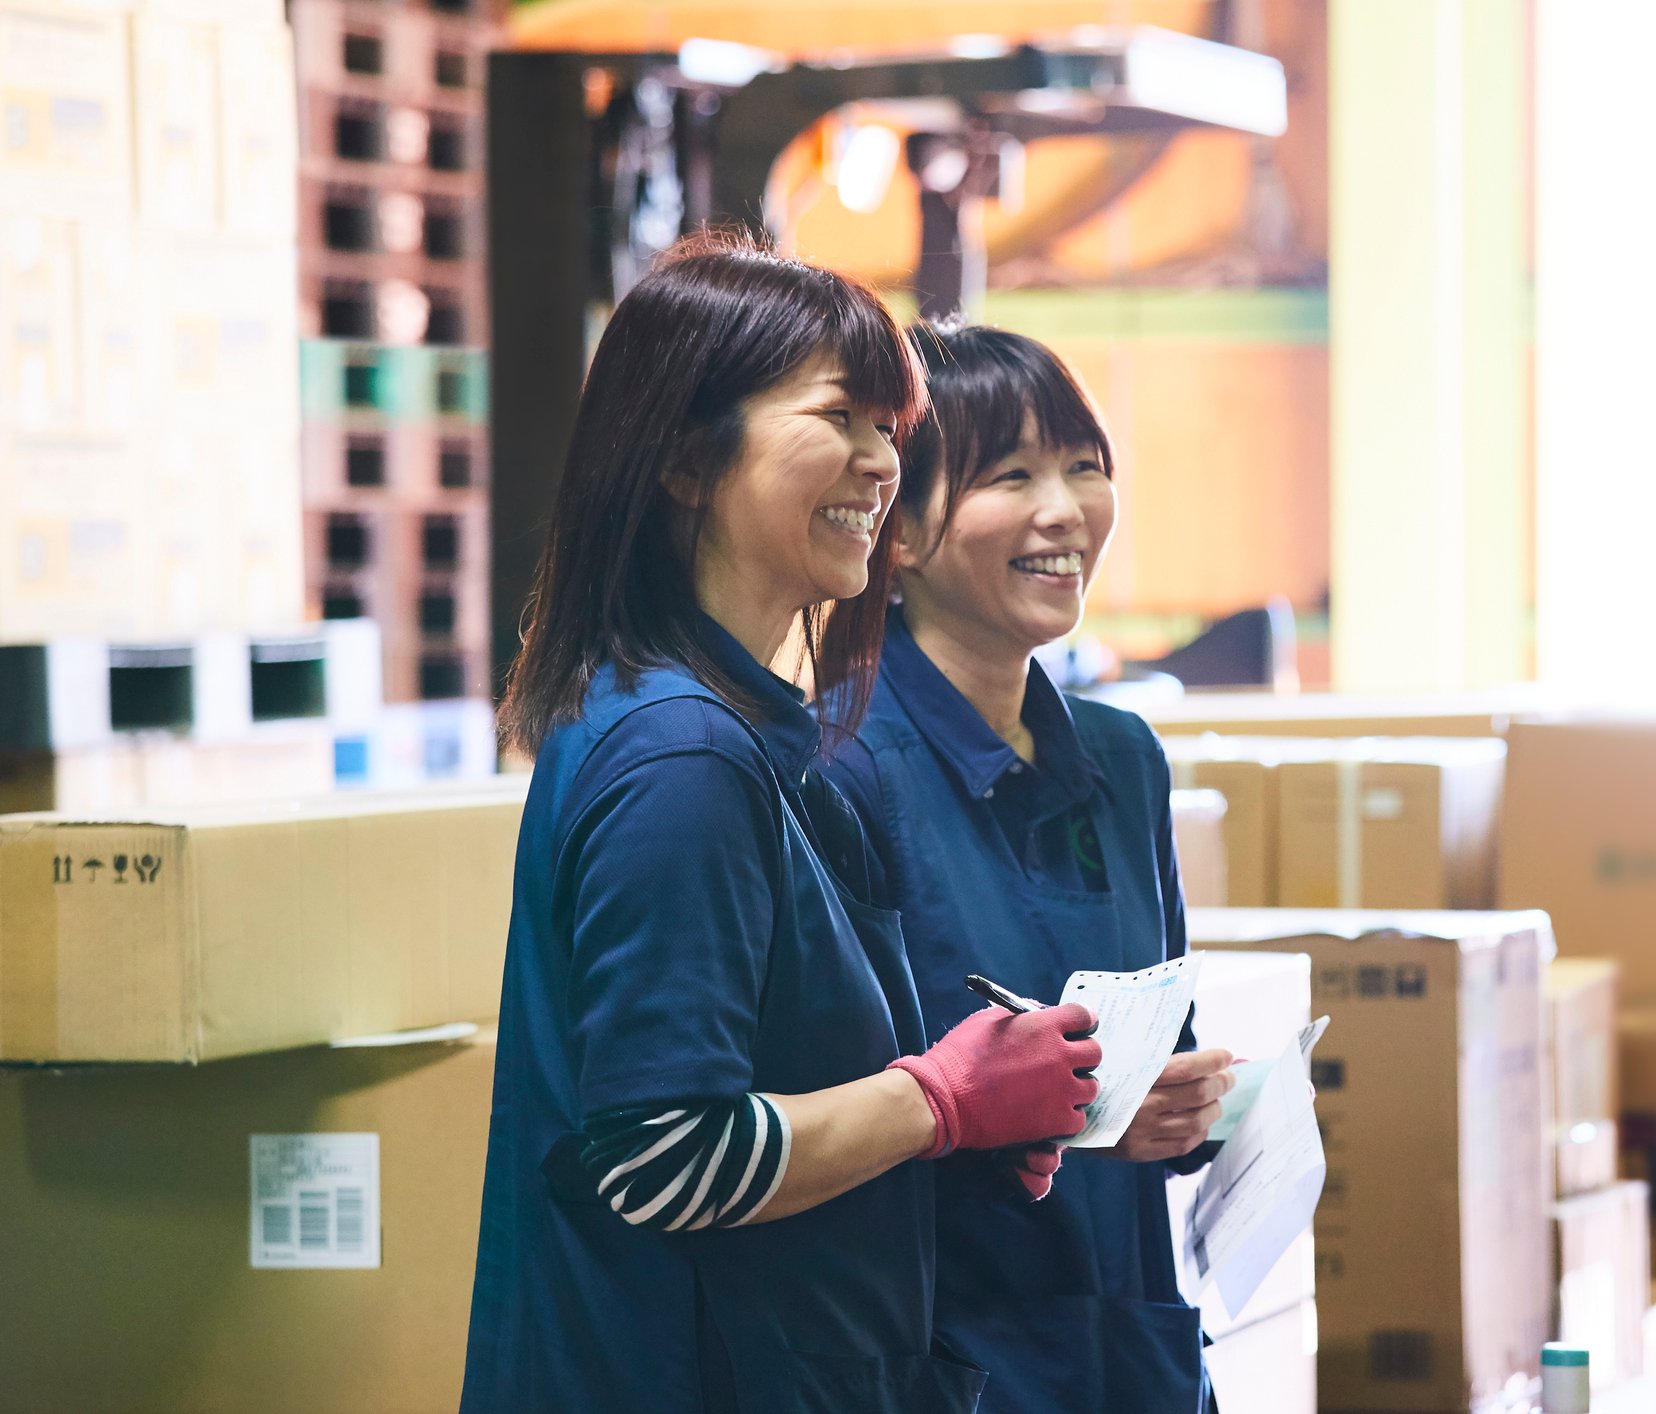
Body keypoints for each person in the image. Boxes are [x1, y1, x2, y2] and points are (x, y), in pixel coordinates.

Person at [460, 236, 1104, 1414]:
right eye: (839, 418)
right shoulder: (681, 758)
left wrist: (957, 1135)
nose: (879, 466)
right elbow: (663, 1154)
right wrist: (938, 1097)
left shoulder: (742, 731)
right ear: (685, 461)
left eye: (888, 431)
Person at [820, 324, 1238, 1413]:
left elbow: (1158, 1040)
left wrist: (1187, 1105)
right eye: (1013, 475)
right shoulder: (835, 768)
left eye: (1085, 466)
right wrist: (1054, 1115)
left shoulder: (1122, 759)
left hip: (1131, 1353)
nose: (1066, 510)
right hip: (952, 1359)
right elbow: (822, 1128)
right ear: (897, 532)